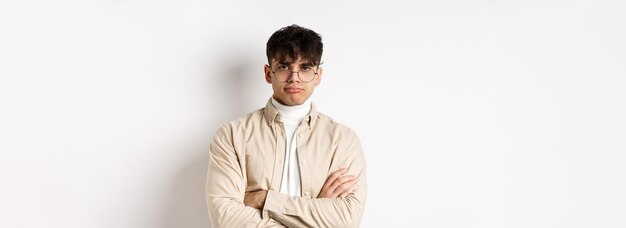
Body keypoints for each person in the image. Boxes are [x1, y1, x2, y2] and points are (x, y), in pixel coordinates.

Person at [205, 24, 367, 228]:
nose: (294, 77)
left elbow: (346, 220)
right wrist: (316, 211)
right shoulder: (231, 136)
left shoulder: (343, 140)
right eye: (283, 67)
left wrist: (266, 199)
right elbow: (225, 219)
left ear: (318, 75)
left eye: (305, 68)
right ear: (268, 73)